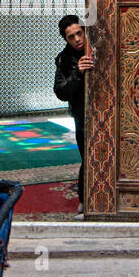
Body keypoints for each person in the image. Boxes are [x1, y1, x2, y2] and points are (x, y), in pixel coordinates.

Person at [54, 14, 93, 206]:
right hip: (83, 116)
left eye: (80, 33)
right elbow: (61, 92)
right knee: (89, 156)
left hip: (109, 113)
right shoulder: (65, 59)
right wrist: (77, 73)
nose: (77, 39)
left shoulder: (98, 49)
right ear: (66, 39)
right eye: (71, 36)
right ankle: (86, 201)